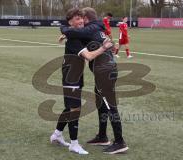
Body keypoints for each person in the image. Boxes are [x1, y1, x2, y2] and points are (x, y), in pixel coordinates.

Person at [61, 7, 129, 154]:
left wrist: (64, 31)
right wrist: (66, 35)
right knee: (101, 103)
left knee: (110, 106)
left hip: (105, 72)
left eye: (81, 18)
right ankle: (102, 136)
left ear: (86, 19)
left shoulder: (90, 30)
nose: (80, 21)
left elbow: (76, 33)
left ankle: (120, 142)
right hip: (106, 70)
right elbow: (79, 35)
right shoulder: (95, 30)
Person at [50, 8, 113, 155]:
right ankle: (74, 144)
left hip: (76, 74)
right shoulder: (73, 38)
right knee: (75, 109)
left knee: (69, 108)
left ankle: (57, 134)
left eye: (81, 18)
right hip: (70, 76)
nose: (80, 21)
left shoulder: (74, 35)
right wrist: (104, 47)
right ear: (70, 21)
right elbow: (89, 56)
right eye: (77, 19)